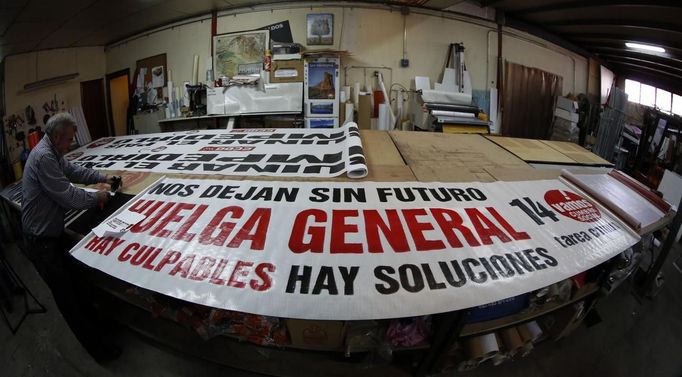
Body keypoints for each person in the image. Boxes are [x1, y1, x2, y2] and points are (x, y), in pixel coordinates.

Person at [22, 112, 121, 363]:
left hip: (50, 237)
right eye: (69, 140)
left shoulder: (53, 152)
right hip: (41, 242)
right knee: (69, 300)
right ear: (56, 136)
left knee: (78, 286)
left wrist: (103, 178)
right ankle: (100, 352)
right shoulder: (43, 157)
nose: (71, 144)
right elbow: (68, 196)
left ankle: (99, 329)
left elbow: (74, 170)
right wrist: (97, 197)